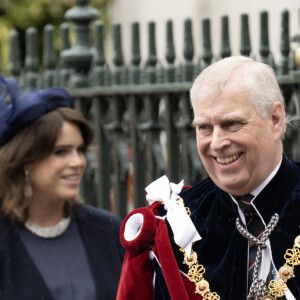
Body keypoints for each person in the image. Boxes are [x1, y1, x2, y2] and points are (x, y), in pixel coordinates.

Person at [116, 56, 300, 300]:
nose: (217, 143)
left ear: (275, 120)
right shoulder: (174, 226)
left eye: (232, 123)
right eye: (204, 127)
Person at [0, 75, 124, 300]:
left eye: (79, 150)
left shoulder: (108, 229)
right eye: (61, 152)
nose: (77, 162)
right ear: (25, 160)